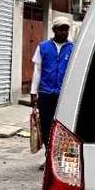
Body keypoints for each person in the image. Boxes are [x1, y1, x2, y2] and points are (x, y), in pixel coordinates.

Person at [30, 17, 74, 154]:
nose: (64, 32)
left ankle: (59, 155)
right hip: (45, 93)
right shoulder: (43, 47)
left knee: (62, 126)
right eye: (61, 29)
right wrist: (33, 92)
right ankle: (48, 156)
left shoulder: (73, 48)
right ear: (54, 30)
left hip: (64, 94)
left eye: (66, 29)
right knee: (46, 126)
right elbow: (37, 71)